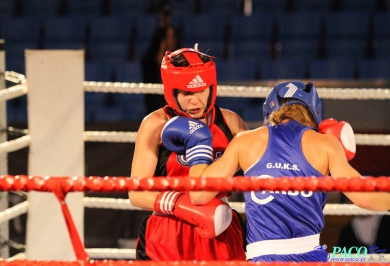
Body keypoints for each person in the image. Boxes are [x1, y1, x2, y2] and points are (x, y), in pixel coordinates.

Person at [161, 81, 390, 262]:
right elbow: (365, 198)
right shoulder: (326, 143)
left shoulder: (245, 141)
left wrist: (197, 147)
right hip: (310, 255)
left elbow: (199, 194)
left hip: (261, 256)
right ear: (314, 112)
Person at [129, 47, 249, 261]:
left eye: (201, 91)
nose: (195, 101)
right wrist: (178, 204)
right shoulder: (155, 124)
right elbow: (136, 194)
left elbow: (260, 168)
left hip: (219, 229)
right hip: (168, 231)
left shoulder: (230, 123)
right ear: (171, 91)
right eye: (186, 93)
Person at [140, 6, 181, 114]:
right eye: (167, 37)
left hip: (176, 110)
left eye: (172, 37)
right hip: (155, 108)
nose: (169, 41)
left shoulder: (181, 61)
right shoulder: (149, 63)